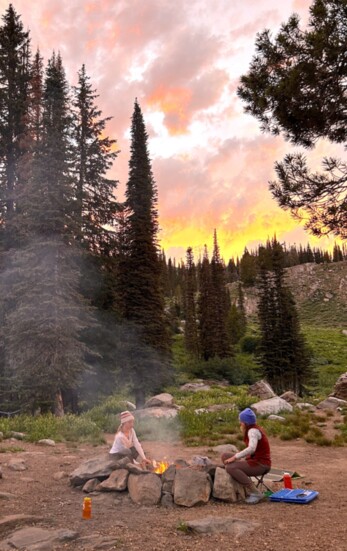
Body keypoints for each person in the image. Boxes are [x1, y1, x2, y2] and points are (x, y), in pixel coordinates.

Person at [221, 407, 271, 504]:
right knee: (225, 456)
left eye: (241, 421)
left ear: (245, 423)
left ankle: (255, 492)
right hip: (254, 461)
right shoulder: (253, 429)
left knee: (230, 467)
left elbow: (252, 448)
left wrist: (235, 457)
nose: (240, 423)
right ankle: (236, 474)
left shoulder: (252, 431)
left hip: (261, 465)